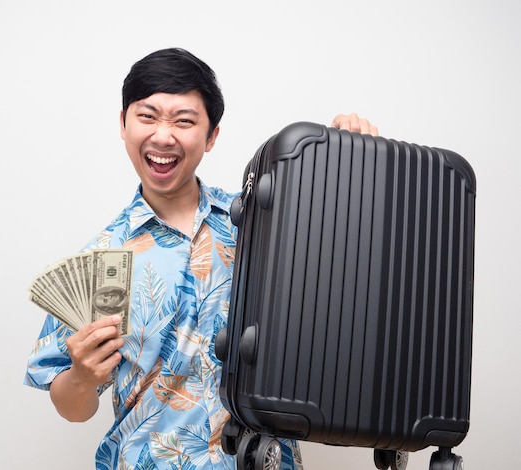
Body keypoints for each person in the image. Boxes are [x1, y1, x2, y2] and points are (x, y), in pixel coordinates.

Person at [25, 47, 378, 469]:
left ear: (211, 136)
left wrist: (353, 156)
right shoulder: (101, 260)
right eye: (147, 116)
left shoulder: (258, 223)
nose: (163, 136)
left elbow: (340, 255)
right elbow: (72, 406)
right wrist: (82, 377)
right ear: (123, 124)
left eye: (184, 121)